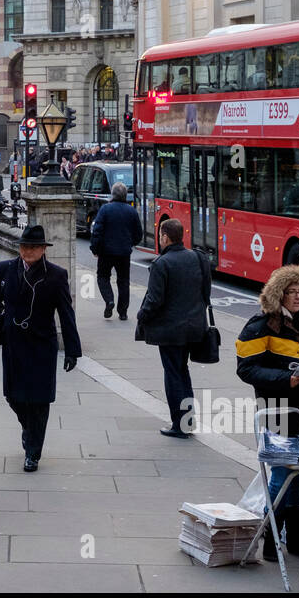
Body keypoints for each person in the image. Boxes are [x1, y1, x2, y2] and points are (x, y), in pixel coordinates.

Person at [235, 264, 299, 561]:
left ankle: (295, 540)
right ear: (279, 294)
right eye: (291, 292)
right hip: (277, 408)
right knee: (280, 473)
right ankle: (271, 538)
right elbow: (246, 369)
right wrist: (286, 379)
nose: (297, 297)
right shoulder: (261, 325)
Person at [0, 224, 82, 471]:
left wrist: (72, 350)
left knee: (39, 400)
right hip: (13, 342)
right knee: (13, 396)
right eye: (24, 246)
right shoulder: (6, 269)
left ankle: (33, 451)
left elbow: (66, 313)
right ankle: (28, 428)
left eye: (33, 247)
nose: (27, 251)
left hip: (41, 345)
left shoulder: (56, 275)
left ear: (43, 249)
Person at [135, 218, 211, 439]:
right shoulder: (197, 258)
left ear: (165, 237)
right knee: (183, 371)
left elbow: (154, 300)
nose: (159, 239)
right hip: (194, 328)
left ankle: (180, 423)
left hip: (170, 331)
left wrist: (141, 316)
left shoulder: (162, 264)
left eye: (160, 235)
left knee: (173, 374)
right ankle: (189, 419)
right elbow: (205, 292)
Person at [91, 182, 144, 321]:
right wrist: (129, 243)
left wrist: (95, 248)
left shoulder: (105, 209)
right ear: (125, 195)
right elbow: (138, 234)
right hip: (124, 252)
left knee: (102, 277)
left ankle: (109, 300)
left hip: (106, 252)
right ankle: (123, 312)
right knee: (124, 281)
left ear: (112, 194)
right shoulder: (131, 211)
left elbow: (97, 231)